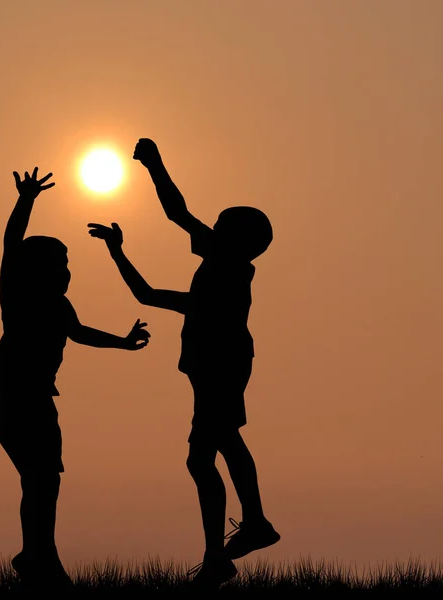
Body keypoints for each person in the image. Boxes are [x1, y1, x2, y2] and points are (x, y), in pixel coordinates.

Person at [88, 139, 279, 589]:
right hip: (215, 366)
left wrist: (154, 166)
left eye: (218, 226)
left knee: (204, 455)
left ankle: (238, 539)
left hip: (222, 365)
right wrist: (117, 252)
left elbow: (176, 214)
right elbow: (149, 295)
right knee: (221, 445)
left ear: (235, 240)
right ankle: (237, 538)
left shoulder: (229, 270)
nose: (208, 229)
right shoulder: (221, 271)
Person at [0, 167, 150, 589]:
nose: (65, 268)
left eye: (66, 261)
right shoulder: (17, 293)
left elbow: (80, 334)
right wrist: (27, 199)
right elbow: (10, 245)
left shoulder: (59, 305)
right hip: (13, 396)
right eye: (59, 261)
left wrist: (121, 341)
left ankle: (37, 555)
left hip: (39, 398)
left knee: (43, 480)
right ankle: (40, 558)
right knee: (40, 478)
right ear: (34, 268)